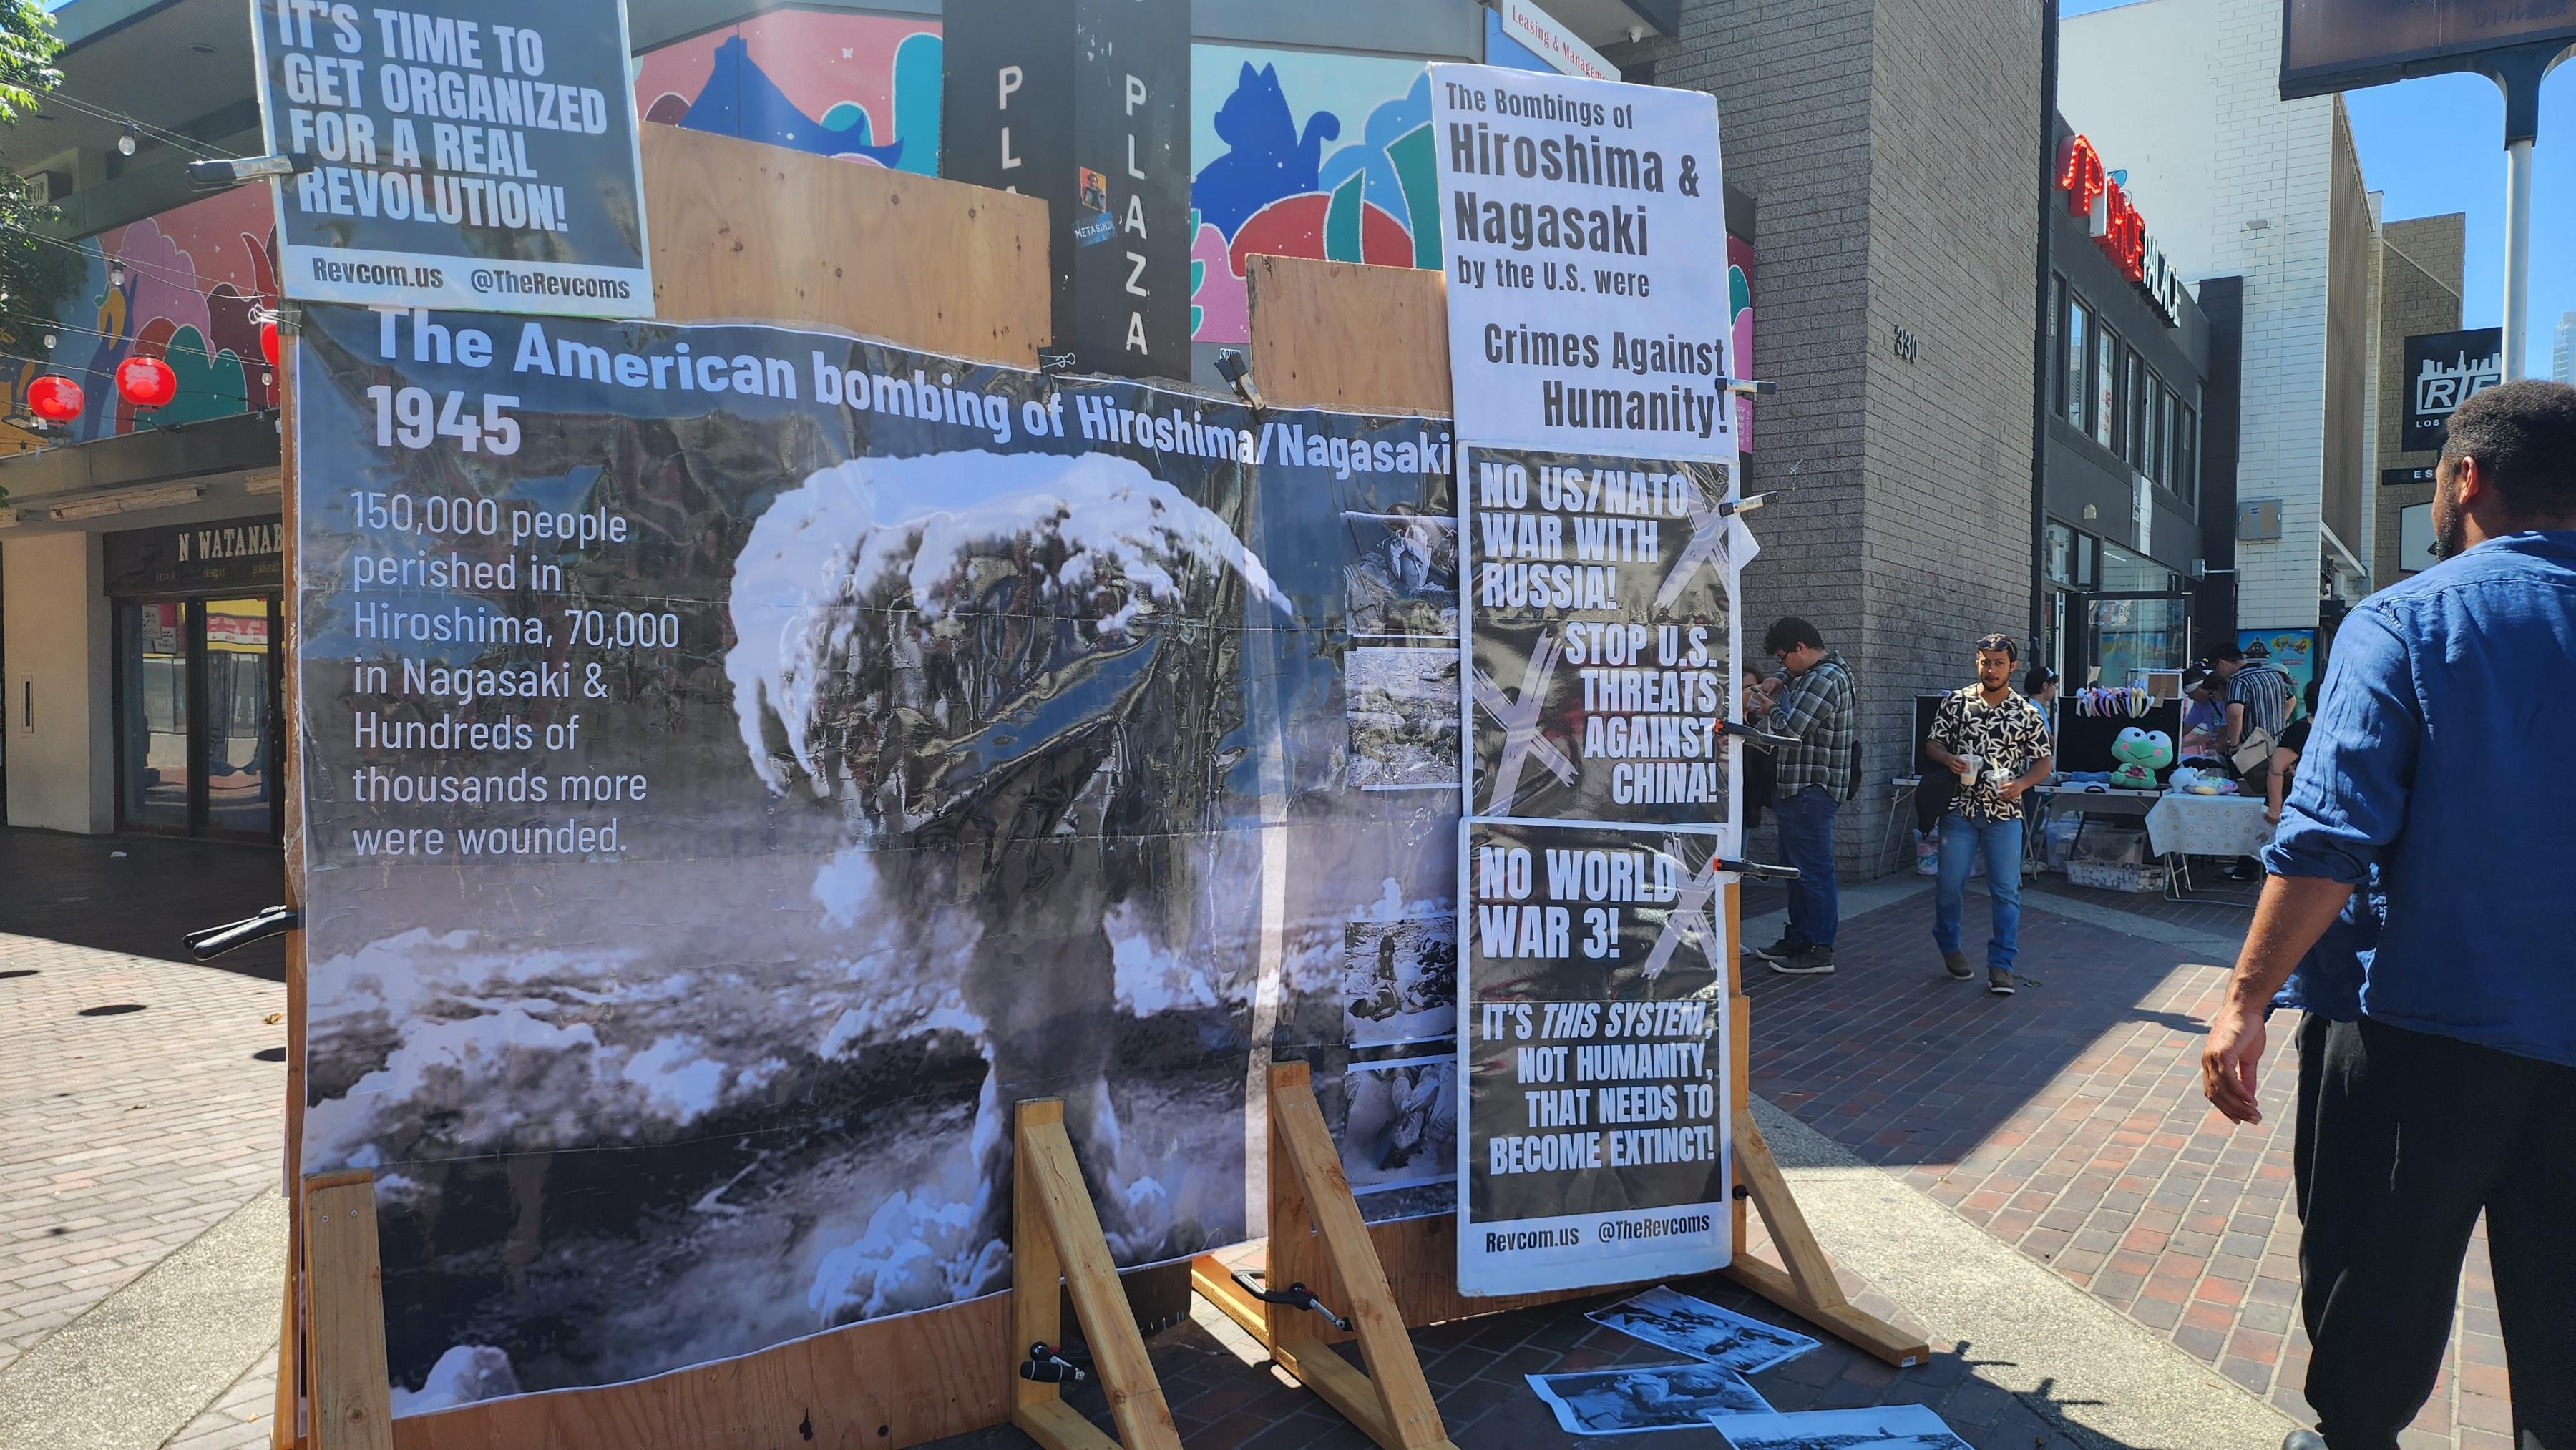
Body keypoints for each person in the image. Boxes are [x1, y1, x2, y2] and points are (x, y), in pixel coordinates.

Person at [2197, 380, 2576, 1450]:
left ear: (2466, 479)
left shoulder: (2410, 619)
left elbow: (2327, 837)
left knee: (2372, 1324)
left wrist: (2243, 999)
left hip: (2416, 1035)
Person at [1923, 635, 2053, 995]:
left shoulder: (2026, 712)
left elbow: (2044, 760)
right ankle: (1948, 943)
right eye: (1984, 661)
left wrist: (2023, 784)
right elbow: (1932, 743)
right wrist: (1948, 758)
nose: (1990, 669)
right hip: (1960, 810)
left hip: (2005, 812)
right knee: (1949, 885)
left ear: (2012, 666)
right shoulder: (1957, 703)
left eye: (1998, 663)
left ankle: (2001, 965)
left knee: (2006, 891)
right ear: (1976, 662)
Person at [1749, 617, 1858, 975]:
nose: (1782, 665)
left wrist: (1768, 708)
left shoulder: (1826, 679)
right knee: (1797, 871)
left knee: (1813, 873)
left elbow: (1791, 729)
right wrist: (1780, 679)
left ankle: (1819, 948)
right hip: (1799, 789)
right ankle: (1799, 937)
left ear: (1801, 648)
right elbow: (1795, 683)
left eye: (1784, 658)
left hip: (1811, 789)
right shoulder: (1815, 674)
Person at [2262, 679, 2322, 826]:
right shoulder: (2302, 729)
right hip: (2298, 807)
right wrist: (2276, 809)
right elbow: (2276, 767)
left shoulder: (2332, 729)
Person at [1740, 664, 1777, 831]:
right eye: (1744, 688)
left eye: (1753, 688)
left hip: (1748, 809)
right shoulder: (1725, 726)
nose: (1749, 693)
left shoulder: (1754, 727)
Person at [2177, 663, 2225, 766]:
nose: (2190, 698)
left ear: (2202, 688)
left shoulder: (2222, 698)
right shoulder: (2200, 704)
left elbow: (2228, 728)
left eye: (2192, 694)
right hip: (2220, 749)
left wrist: (2218, 749)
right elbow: (2184, 728)